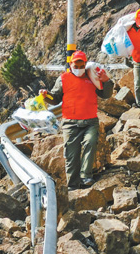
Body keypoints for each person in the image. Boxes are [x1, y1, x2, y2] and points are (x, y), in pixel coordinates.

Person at [39, 50, 113, 191]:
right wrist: (45, 95)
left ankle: (86, 176)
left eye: (81, 66)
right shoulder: (63, 79)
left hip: (90, 121)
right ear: (70, 64)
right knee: (71, 154)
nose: (78, 69)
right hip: (70, 123)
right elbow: (55, 98)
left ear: (85, 64)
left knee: (90, 142)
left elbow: (105, 95)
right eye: (76, 65)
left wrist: (107, 81)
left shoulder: (92, 77)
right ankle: (72, 186)